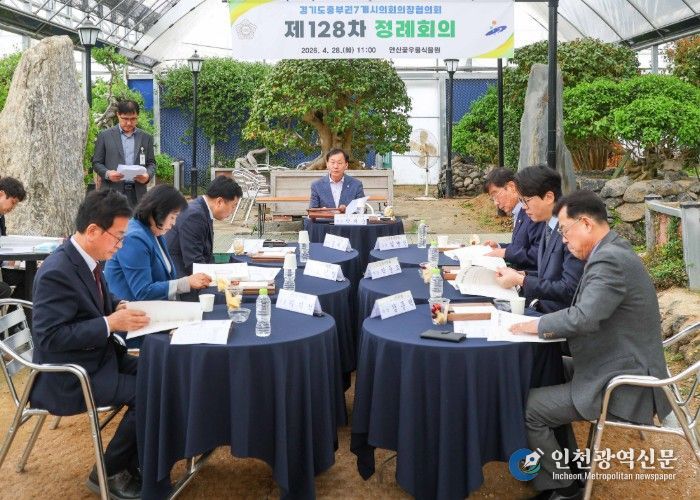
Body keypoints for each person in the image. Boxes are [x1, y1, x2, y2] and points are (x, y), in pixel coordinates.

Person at [510, 190, 671, 500]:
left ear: (585, 223)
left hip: (624, 381)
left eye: (565, 231)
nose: (564, 241)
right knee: (549, 370)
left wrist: (535, 326)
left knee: (529, 408)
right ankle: (570, 467)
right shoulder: (613, 249)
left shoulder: (609, 259)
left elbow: (584, 317)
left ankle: (562, 486)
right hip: (614, 361)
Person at [30, 190, 151, 499]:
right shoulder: (56, 272)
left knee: (160, 372)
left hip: (100, 358)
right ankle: (108, 471)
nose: (121, 245)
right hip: (69, 374)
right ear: (94, 230)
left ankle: (136, 461)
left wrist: (118, 305)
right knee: (148, 393)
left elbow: (97, 300)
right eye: (118, 237)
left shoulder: (87, 260)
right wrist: (110, 323)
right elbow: (50, 337)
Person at [495, 166, 584, 313]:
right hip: (541, 307)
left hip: (556, 315)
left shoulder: (570, 230)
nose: (524, 207)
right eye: (521, 201)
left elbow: (569, 289)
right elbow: (551, 274)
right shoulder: (548, 224)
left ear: (549, 197)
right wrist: (523, 275)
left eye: (526, 201)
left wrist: (522, 281)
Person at [104, 185, 212, 302]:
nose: (173, 223)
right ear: (159, 212)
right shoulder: (134, 238)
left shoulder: (155, 233)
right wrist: (186, 283)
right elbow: (143, 292)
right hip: (132, 308)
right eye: (172, 217)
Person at [165, 175, 242, 277]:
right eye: (233, 206)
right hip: (179, 277)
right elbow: (194, 263)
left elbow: (206, 256)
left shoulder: (202, 209)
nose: (233, 211)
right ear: (219, 202)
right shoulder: (194, 216)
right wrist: (222, 277)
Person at [92, 100, 156, 207]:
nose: (129, 123)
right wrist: (108, 174)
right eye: (125, 119)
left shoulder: (146, 137)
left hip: (138, 194)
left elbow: (151, 163)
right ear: (118, 115)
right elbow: (96, 163)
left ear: (138, 116)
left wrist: (147, 175)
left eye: (133, 119)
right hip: (111, 193)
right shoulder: (105, 136)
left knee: (136, 218)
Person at [482, 167, 543, 272]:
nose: (496, 203)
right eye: (493, 199)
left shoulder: (532, 213)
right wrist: (498, 247)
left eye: (495, 195)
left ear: (511, 187)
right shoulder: (519, 212)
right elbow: (520, 246)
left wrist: (505, 253)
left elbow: (538, 254)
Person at [0, 177, 28, 299]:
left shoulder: (1, 217)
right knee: (4, 290)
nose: (13, 208)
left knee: (28, 276)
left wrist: (10, 260)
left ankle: (16, 311)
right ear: (1, 194)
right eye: (13, 202)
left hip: (2, 264)